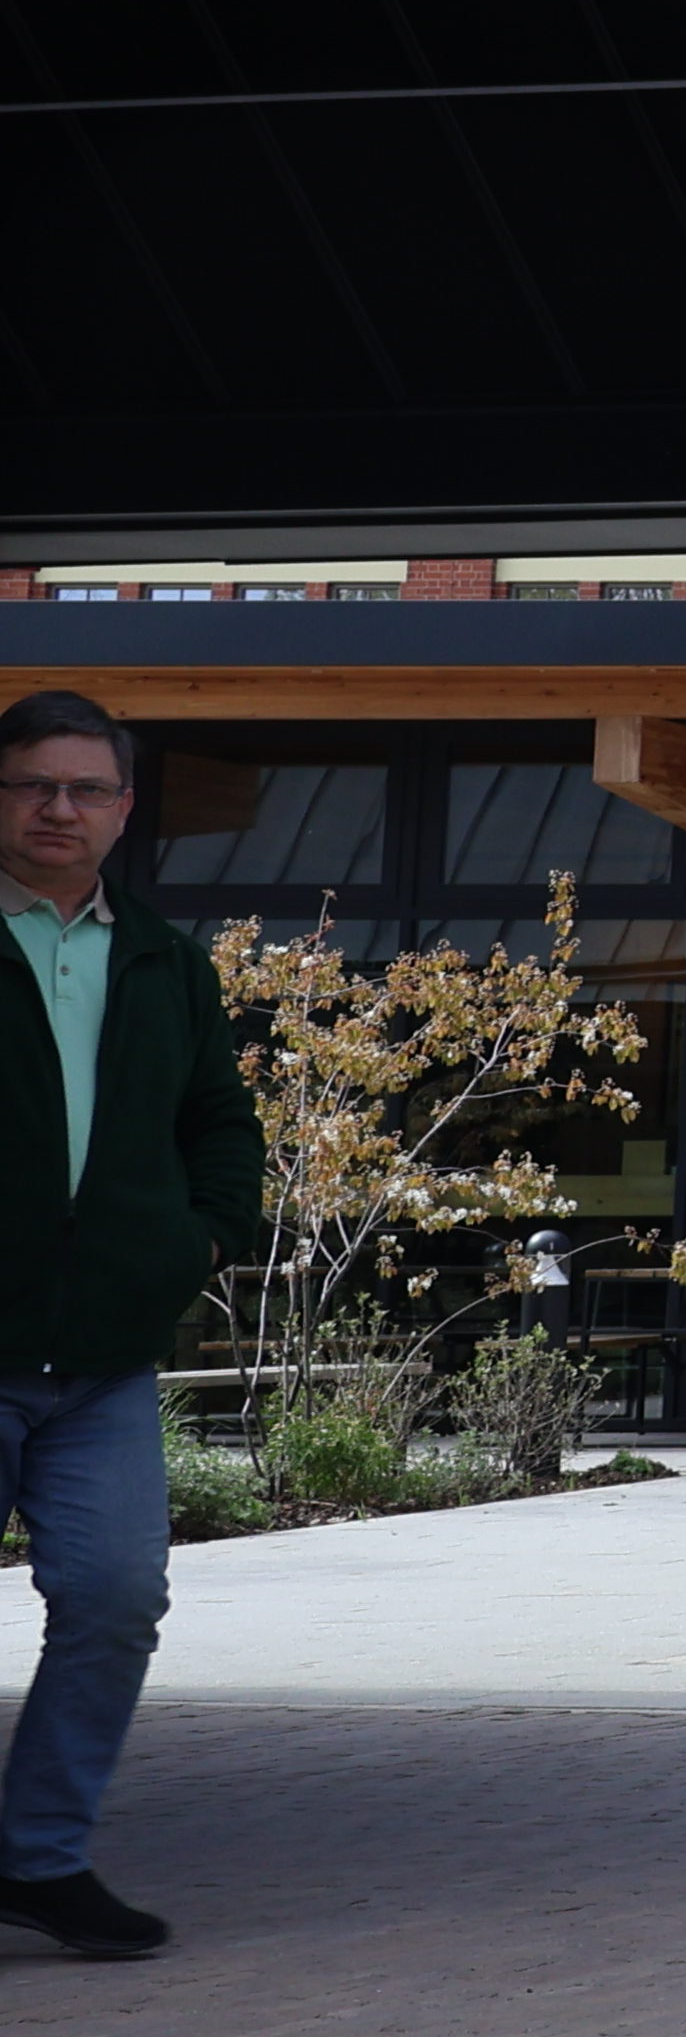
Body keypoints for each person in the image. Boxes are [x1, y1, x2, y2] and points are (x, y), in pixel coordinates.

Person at [0, 689, 258, 1965]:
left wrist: (199, 1239)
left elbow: (221, 1123)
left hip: (103, 1359)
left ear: (122, 808)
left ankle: (40, 1858)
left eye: (85, 788)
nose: (60, 808)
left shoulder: (165, 959)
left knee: (114, 1600)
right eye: (33, 785)